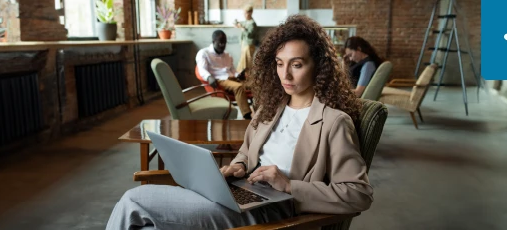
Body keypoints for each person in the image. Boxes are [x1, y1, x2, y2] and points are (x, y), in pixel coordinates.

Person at [105, 15, 373, 230]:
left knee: (133, 201)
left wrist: (289, 185)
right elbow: (247, 151)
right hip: (240, 192)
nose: (285, 74)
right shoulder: (271, 108)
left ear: (319, 66)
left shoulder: (334, 122)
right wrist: (238, 165)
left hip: (275, 211)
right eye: (280, 64)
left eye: (297, 64)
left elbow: (358, 194)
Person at [197, 30, 253, 119]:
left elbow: (232, 70)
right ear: (213, 41)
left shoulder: (227, 55)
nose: (222, 45)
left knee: (256, 84)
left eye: (224, 43)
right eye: (220, 43)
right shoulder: (204, 53)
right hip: (219, 80)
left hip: (232, 78)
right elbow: (201, 69)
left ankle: (261, 113)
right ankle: (247, 115)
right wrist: (209, 77)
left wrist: (238, 75)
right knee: (238, 87)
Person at [235, 5, 258, 74]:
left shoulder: (252, 23)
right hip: (244, 44)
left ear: (250, 13)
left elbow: (250, 34)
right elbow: (237, 23)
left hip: (249, 45)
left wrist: (243, 29)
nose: (244, 15)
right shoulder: (246, 22)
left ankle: (247, 78)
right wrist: (237, 23)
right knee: (243, 62)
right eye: (244, 13)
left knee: (247, 63)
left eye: (245, 13)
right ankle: (242, 77)